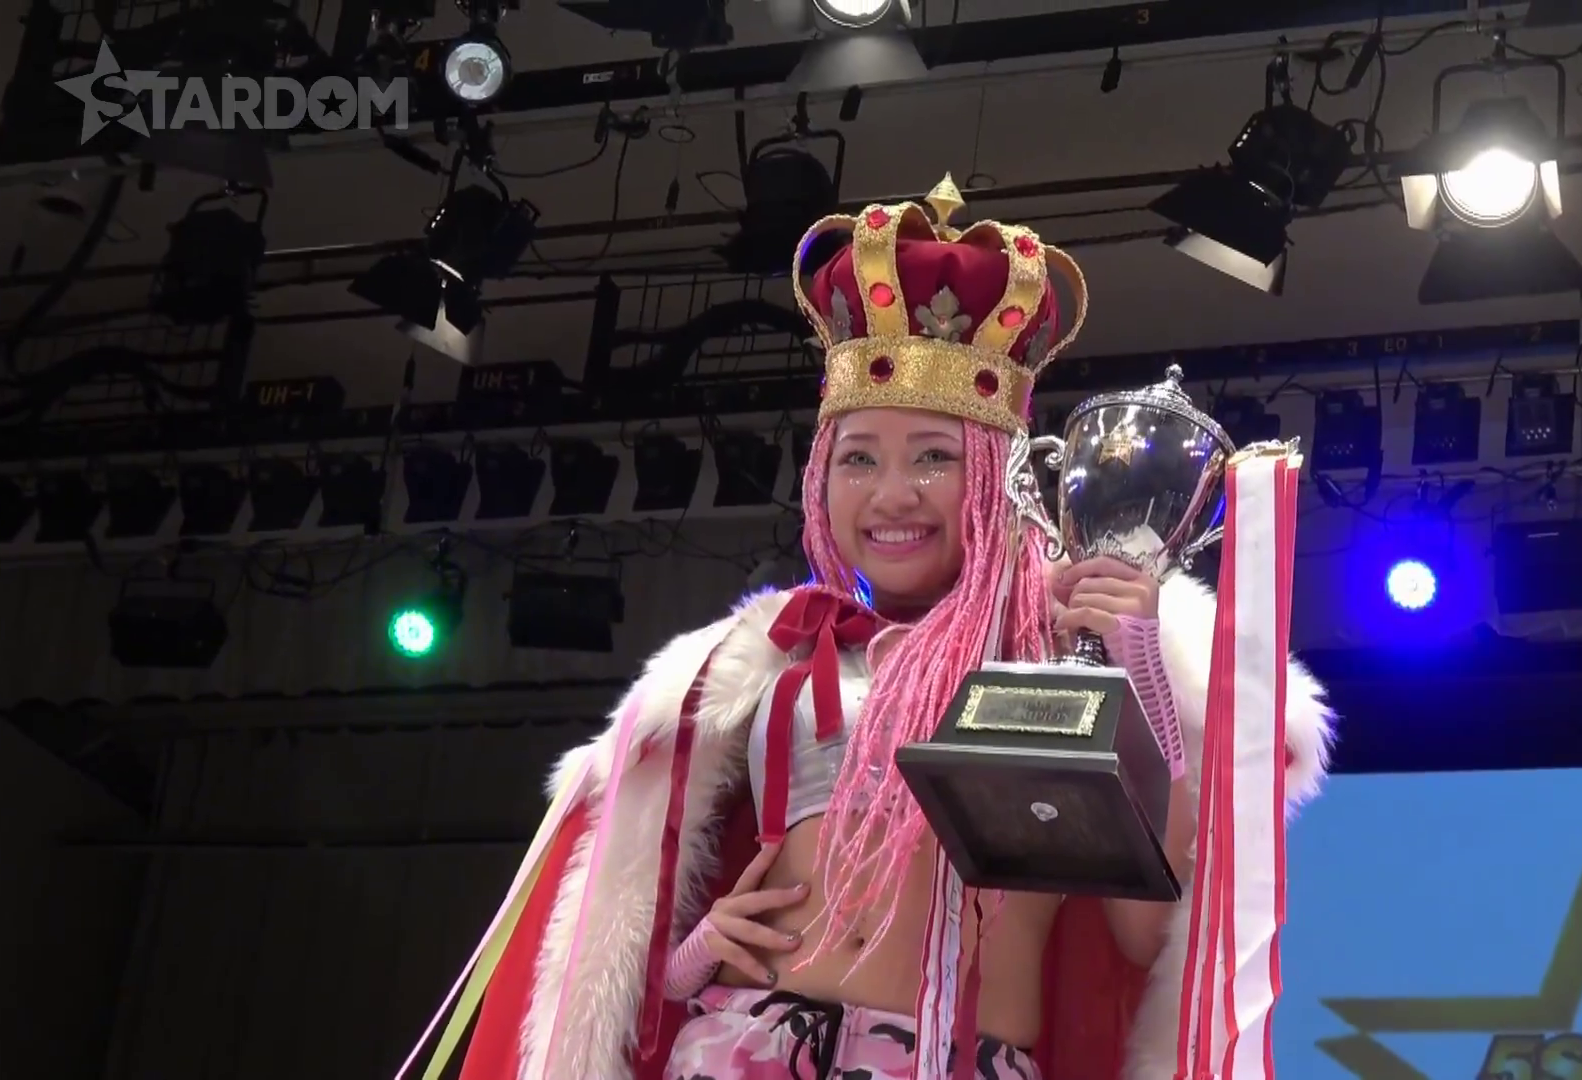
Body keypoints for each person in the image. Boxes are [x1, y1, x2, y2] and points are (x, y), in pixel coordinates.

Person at [428, 177, 1335, 1080]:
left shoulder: (1055, 645)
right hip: (745, 1049)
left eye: (934, 457)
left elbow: (1152, 939)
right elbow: (635, 915)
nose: (892, 494)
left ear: (1001, 476)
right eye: (858, 458)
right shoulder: (775, 653)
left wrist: (1141, 670)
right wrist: (689, 960)